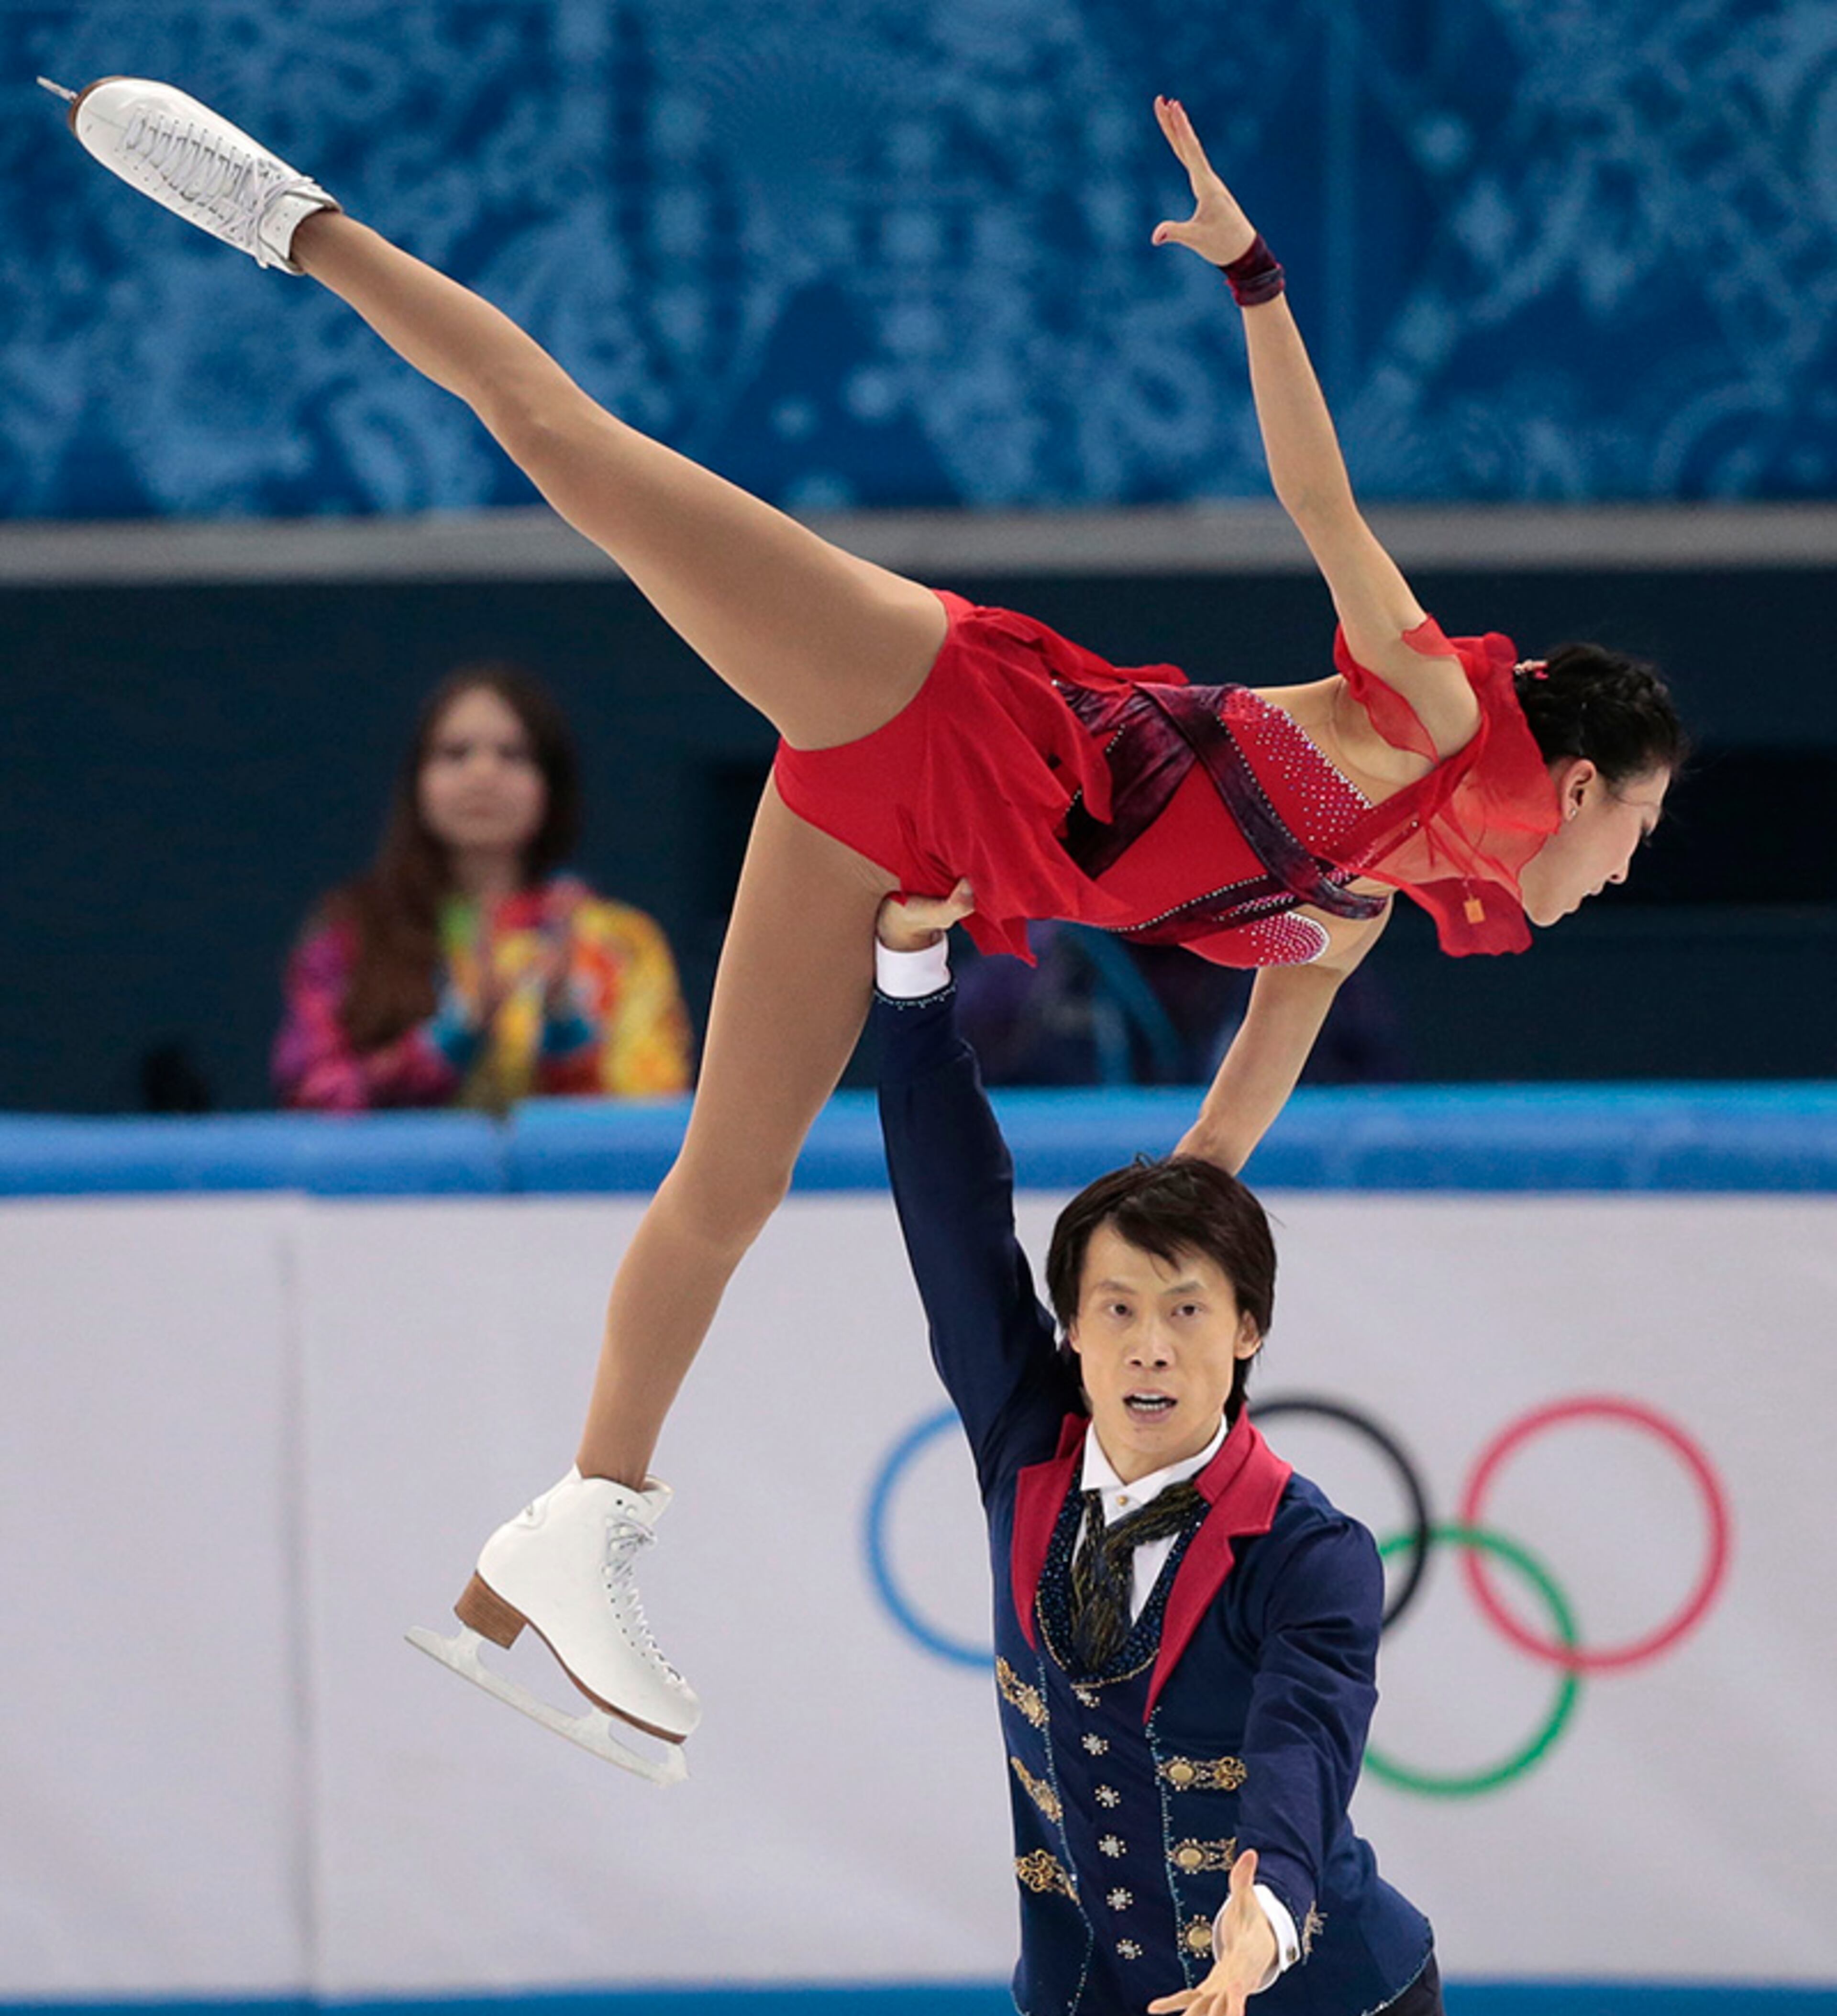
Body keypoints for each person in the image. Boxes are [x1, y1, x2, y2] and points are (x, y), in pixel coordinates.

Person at [51, 78, 1686, 1767]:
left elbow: (1208, 1163)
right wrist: (1256, 272)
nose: (1631, 871)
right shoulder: (1421, 709)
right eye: (1638, 832)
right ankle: (279, 211)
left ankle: (583, 1522)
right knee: (568, 444)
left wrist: (1141, 1331)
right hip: (942, 706)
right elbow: (1321, 507)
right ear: (1578, 787)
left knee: (729, 1178)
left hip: (918, 854)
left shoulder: (1348, 920)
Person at [870, 883, 1608, 2016]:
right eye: (1115, 1307)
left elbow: (1304, 1742)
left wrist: (1263, 1904)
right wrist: (912, 976)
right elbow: (950, 1218)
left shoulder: (1311, 1547)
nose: (1147, 1340)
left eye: (1183, 1309)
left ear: (1246, 1330)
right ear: (1069, 1331)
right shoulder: (1023, 1449)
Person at [271, 664, 691, 1113]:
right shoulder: (352, 930)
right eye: (455, 754)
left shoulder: (619, 941)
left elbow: (653, 1123)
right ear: (417, 781)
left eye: (513, 755)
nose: (483, 774)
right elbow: (308, 1098)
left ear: (551, 784)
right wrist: (448, 1042)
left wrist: (566, 1032)